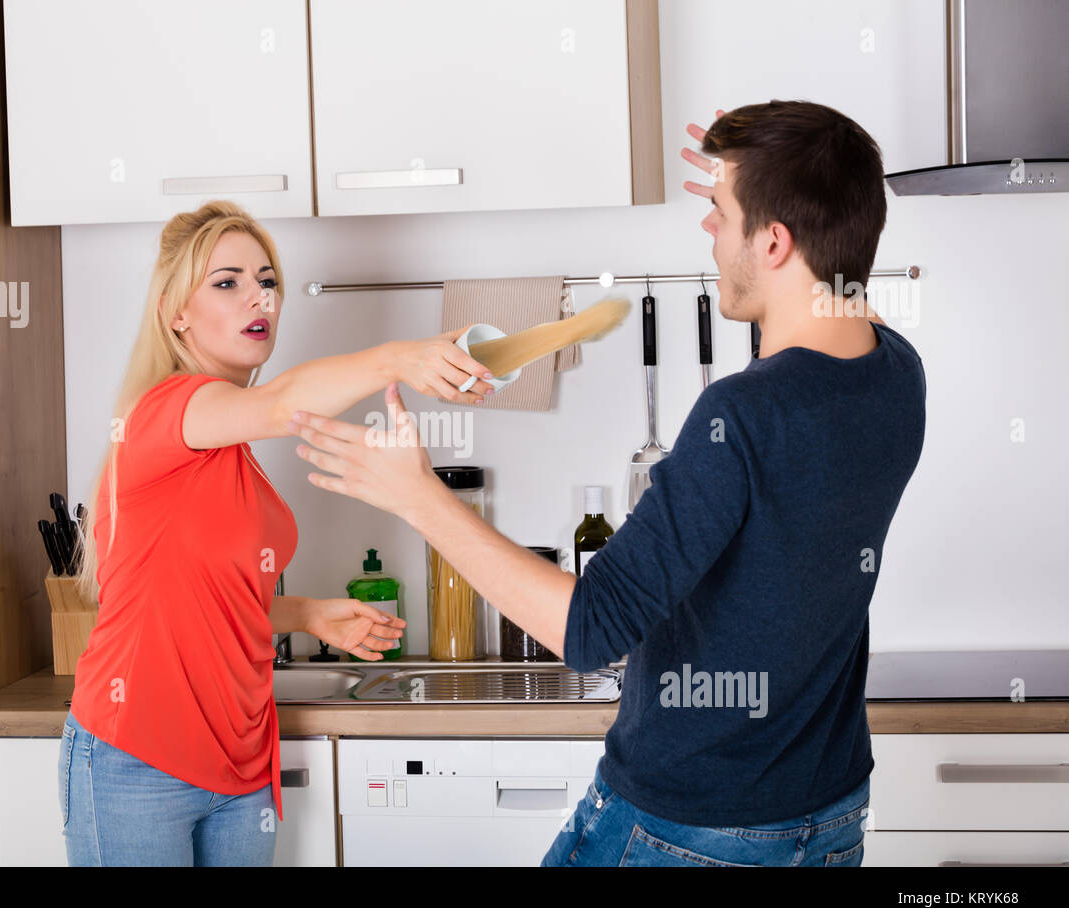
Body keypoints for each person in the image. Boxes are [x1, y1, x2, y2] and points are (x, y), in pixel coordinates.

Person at [287, 101, 927, 867]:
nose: (708, 230)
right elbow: (823, 309)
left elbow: (590, 629)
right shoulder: (894, 372)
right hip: (826, 819)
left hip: (688, 831)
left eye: (720, 216)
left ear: (776, 242)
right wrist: (771, 187)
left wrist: (415, 495)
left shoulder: (743, 416)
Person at [60, 200, 499, 866]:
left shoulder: (229, 446)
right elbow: (282, 403)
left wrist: (309, 614)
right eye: (227, 281)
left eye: (266, 280)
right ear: (177, 312)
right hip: (135, 757)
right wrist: (399, 358)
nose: (257, 296)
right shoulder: (165, 410)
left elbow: (207, 597)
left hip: (240, 760)